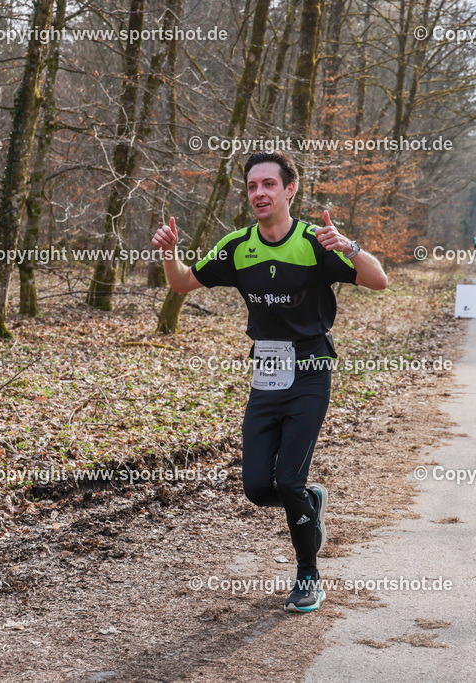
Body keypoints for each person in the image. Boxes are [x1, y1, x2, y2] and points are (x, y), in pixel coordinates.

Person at [151, 151, 388, 613]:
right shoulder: (237, 246)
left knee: (289, 480)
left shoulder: (316, 241)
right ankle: (310, 503)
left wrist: (349, 247)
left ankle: (308, 576)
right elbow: (181, 284)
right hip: (267, 374)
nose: (259, 193)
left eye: (268, 185)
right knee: (259, 488)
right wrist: (169, 252)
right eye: (252, 186)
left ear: (289, 190)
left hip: (312, 371)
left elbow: (378, 281)